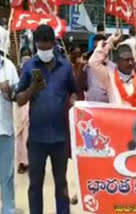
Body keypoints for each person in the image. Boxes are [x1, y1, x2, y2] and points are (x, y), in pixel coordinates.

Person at [15, 25, 77, 214]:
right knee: (35, 185)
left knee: (61, 183)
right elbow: (19, 99)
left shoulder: (65, 67)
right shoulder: (29, 67)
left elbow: (73, 91)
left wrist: (74, 102)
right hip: (36, 139)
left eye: (46, 46)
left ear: (52, 43)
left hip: (59, 138)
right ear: (35, 45)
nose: (43, 51)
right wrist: (32, 87)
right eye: (39, 47)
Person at [89, 33, 136, 108]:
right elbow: (93, 62)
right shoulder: (109, 78)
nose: (130, 63)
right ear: (118, 61)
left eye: (131, 59)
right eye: (126, 60)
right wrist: (109, 43)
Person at [0, 53, 19, 214]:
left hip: (4, 129)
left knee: (7, 174)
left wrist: (9, 90)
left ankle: (8, 209)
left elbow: (18, 96)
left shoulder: (8, 66)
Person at [14, 46, 32, 174]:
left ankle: (29, 162)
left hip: (31, 104)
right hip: (19, 105)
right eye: (24, 55)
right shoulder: (16, 70)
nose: (26, 57)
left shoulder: (34, 69)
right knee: (20, 136)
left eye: (28, 55)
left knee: (28, 136)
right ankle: (21, 162)